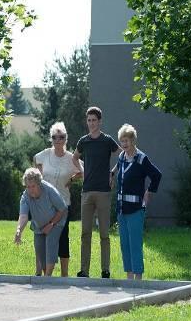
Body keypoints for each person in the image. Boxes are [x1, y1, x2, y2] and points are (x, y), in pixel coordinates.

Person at [73, 106, 120, 278]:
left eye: (94, 120)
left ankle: (105, 270)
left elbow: (122, 156)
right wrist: (83, 172)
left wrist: (112, 173)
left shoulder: (107, 140)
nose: (91, 123)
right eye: (89, 120)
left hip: (103, 192)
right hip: (86, 192)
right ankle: (84, 271)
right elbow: (74, 157)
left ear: (100, 121)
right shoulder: (83, 141)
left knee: (104, 234)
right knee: (85, 233)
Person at [33, 122, 83, 277]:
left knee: (62, 239)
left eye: (61, 137)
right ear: (51, 139)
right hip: (44, 204)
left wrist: (72, 179)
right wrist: (39, 180)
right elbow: (35, 162)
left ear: (66, 138)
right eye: (55, 137)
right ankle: (39, 272)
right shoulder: (44, 155)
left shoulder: (70, 158)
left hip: (63, 204)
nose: (58, 140)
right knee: (41, 237)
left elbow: (83, 170)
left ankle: (64, 274)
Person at [114, 124, 161, 280]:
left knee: (135, 244)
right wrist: (111, 173)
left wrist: (149, 192)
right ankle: (129, 278)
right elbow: (119, 168)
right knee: (124, 245)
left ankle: (138, 279)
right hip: (121, 209)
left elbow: (156, 175)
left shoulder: (141, 158)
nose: (124, 144)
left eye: (126, 141)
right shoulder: (121, 157)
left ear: (133, 140)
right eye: (122, 141)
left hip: (135, 210)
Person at [14, 168, 68, 277]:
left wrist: (51, 224)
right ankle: (46, 276)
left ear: (39, 184)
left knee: (50, 244)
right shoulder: (25, 196)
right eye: (28, 187)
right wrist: (19, 229)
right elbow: (23, 216)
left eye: (33, 186)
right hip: (39, 225)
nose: (30, 190)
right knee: (39, 250)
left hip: (56, 221)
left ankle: (47, 278)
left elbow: (62, 209)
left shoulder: (49, 190)